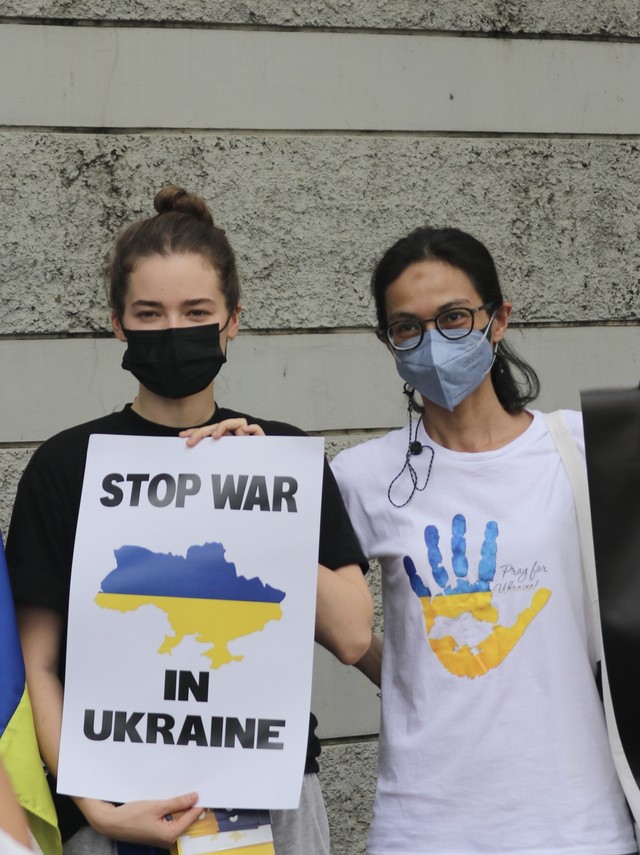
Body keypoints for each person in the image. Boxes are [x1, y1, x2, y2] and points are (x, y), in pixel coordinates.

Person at [7, 186, 373, 855]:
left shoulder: (280, 454)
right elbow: (39, 665)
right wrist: (97, 806)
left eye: (196, 311)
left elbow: (352, 634)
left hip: (271, 803)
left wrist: (259, 501)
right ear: (118, 322)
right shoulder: (64, 467)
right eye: (150, 311)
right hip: (117, 809)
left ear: (233, 319)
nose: (174, 328)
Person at [331, 226, 637, 855]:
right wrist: (404, 671)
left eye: (453, 317)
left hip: (578, 824)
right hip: (422, 825)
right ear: (389, 342)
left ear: (497, 320)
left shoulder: (584, 448)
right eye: (407, 327)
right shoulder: (361, 478)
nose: (431, 341)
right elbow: (332, 619)